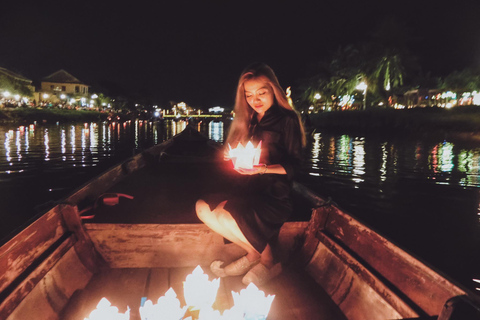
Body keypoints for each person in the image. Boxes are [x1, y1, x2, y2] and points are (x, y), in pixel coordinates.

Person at [195, 62, 306, 286]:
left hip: (274, 195)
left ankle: (268, 261)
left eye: (261, 93)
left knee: (227, 213)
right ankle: (254, 253)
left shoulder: (287, 120)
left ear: (274, 90)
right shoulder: (250, 120)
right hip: (247, 188)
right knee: (202, 207)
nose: (255, 100)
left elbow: (298, 167)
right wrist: (232, 156)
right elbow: (246, 154)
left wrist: (263, 168)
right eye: (249, 94)